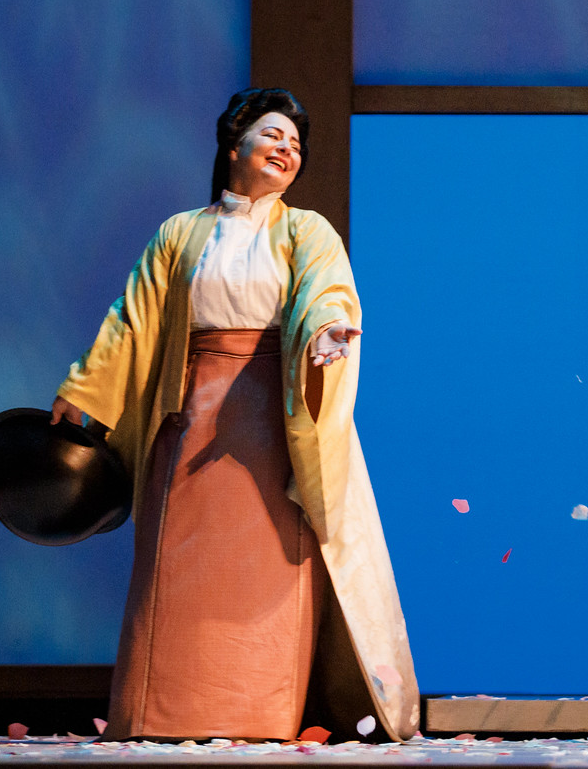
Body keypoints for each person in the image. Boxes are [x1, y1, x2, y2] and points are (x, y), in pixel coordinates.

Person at [49, 88, 419, 742]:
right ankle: (157, 710)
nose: (287, 150)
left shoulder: (305, 231)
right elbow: (132, 320)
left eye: (296, 145)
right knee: (175, 568)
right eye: (274, 135)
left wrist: (328, 330)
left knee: (272, 566)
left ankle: (258, 712)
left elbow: (327, 291)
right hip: (190, 415)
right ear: (233, 146)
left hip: (276, 421)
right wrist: (87, 389)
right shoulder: (180, 232)